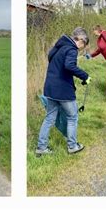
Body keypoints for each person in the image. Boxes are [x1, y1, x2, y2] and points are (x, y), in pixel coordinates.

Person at [36, 27, 91, 156]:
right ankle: (72, 146)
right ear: (80, 40)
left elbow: (59, 65)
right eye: (83, 45)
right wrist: (85, 76)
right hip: (63, 90)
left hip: (50, 88)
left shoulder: (59, 47)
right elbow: (69, 66)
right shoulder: (71, 49)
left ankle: (41, 147)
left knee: (49, 118)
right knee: (72, 117)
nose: (81, 49)